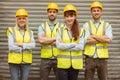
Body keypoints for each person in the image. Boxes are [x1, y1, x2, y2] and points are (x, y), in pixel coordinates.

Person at [56, 4, 87, 80]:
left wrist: (65, 46)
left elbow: (81, 47)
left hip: (75, 65)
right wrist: (73, 44)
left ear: (75, 16)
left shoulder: (81, 31)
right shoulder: (59, 30)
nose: (69, 19)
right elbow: (59, 46)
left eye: (71, 16)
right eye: (67, 16)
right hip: (62, 64)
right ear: (64, 17)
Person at [83, 1, 113, 80]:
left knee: (103, 78)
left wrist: (93, 36)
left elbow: (108, 39)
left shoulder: (107, 25)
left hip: (102, 59)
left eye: (98, 10)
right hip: (90, 58)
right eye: (94, 11)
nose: (96, 12)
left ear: (101, 12)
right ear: (91, 12)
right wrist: (102, 38)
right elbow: (86, 40)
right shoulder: (86, 25)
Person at [6, 8, 35, 80]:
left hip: (26, 62)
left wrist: (20, 44)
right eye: (19, 18)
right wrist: (26, 45)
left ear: (26, 20)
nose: (22, 20)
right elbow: (11, 46)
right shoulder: (11, 30)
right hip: (14, 61)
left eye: (23, 18)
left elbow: (33, 45)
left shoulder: (30, 32)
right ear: (17, 20)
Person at [38, 2, 60, 80]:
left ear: (57, 13)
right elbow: (41, 40)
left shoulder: (61, 26)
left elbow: (63, 41)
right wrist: (56, 38)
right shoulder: (42, 26)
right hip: (45, 59)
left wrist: (46, 40)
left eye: (54, 12)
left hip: (58, 58)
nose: (52, 14)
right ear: (47, 13)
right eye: (50, 12)